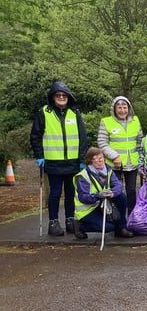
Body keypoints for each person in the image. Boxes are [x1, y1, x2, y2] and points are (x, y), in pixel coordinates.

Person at [30, 81, 89, 237]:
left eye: (64, 95)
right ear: (53, 97)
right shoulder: (44, 112)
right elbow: (35, 136)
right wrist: (39, 155)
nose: (61, 97)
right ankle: (53, 222)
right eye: (58, 95)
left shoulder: (75, 113)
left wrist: (82, 158)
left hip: (73, 161)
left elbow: (83, 137)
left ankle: (70, 219)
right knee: (55, 193)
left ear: (68, 97)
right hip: (53, 161)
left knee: (71, 192)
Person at [72, 147, 134, 239]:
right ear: (90, 161)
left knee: (121, 197)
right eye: (96, 158)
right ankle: (80, 226)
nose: (100, 160)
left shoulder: (108, 170)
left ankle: (121, 228)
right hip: (88, 210)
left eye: (101, 157)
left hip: (104, 204)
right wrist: (98, 195)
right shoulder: (83, 176)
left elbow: (118, 185)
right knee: (108, 227)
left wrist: (112, 193)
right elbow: (83, 197)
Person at [98, 96, 143, 215]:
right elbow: (102, 143)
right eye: (119, 107)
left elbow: (139, 141)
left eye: (125, 107)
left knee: (132, 191)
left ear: (129, 108)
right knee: (117, 191)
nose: (122, 110)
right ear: (114, 108)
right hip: (114, 164)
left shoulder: (135, 121)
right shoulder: (106, 122)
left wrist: (140, 158)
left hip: (132, 162)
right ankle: (118, 218)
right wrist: (114, 156)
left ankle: (132, 217)